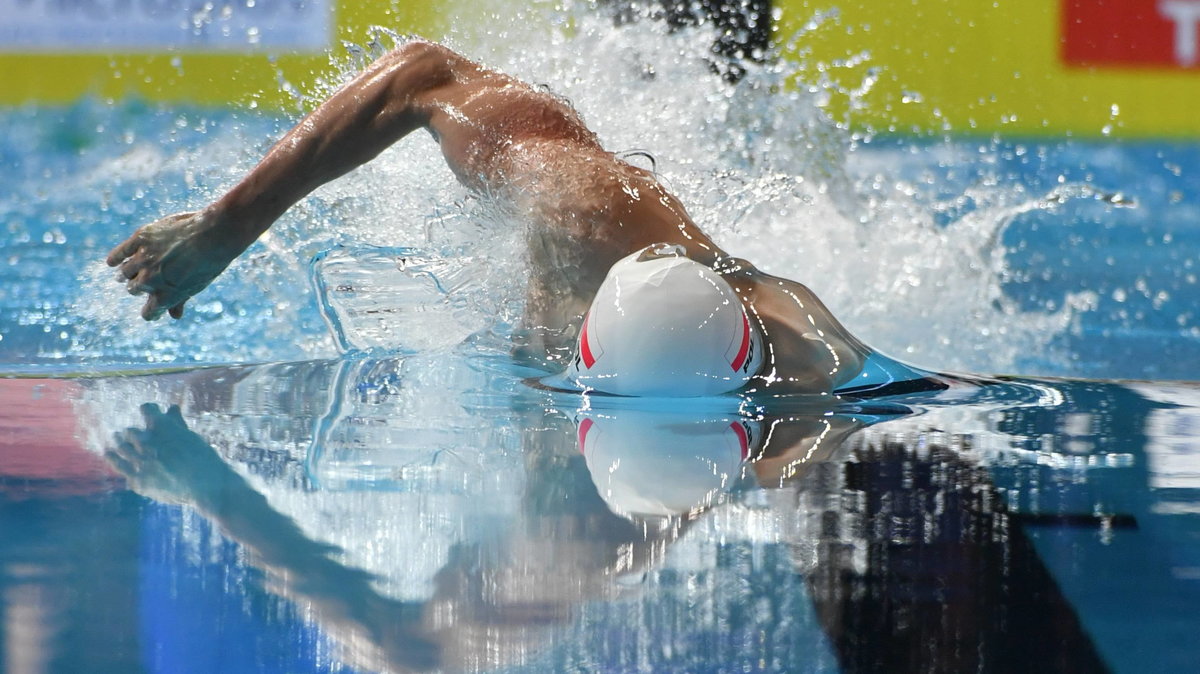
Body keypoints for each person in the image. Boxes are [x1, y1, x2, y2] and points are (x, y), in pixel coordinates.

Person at [106, 39, 933, 397]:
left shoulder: (785, 336)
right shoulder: (578, 209)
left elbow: (879, 386)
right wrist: (227, 228)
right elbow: (418, 77)